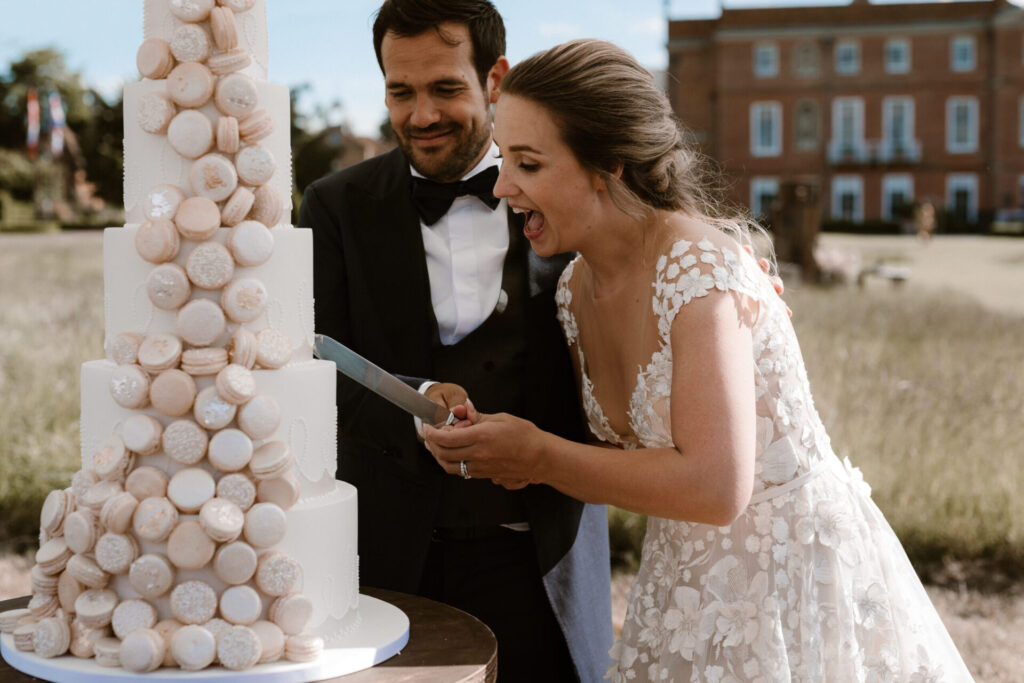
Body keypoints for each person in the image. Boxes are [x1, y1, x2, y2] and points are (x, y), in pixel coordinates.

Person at [424, 39, 975, 681]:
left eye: (529, 163)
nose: (502, 185)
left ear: (612, 165)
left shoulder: (701, 272)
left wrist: (540, 457)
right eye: (503, 159)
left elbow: (717, 489)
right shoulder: (572, 288)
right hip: (683, 589)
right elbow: (616, 457)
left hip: (787, 586)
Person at [298, 2, 613, 680]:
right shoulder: (333, 206)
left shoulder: (568, 189)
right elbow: (313, 364)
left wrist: (732, 279)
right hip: (391, 561)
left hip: (540, 560)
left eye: (444, 88)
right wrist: (413, 403)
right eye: (399, 91)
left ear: (494, 78)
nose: (421, 115)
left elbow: (650, 263)